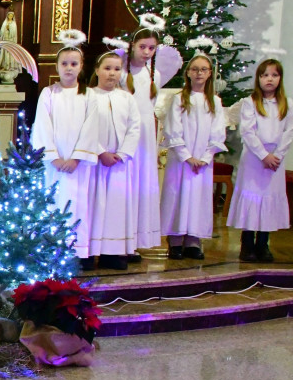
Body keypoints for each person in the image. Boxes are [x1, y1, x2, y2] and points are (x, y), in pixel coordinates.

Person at [118, 22, 182, 260]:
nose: (146, 52)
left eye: (151, 48)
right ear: (132, 46)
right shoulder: (122, 73)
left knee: (141, 187)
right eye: (142, 46)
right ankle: (119, 240)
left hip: (145, 134)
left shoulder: (152, 74)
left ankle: (135, 240)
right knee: (125, 186)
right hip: (125, 132)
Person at [31, 40, 97, 268]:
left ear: (81, 67)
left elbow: (92, 127)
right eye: (64, 63)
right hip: (55, 163)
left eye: (74, 64)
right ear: (57, 67)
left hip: (79, 165)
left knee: (79, 204)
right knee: (54, 203)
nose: (69, 68)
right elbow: (42, 125)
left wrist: (77, 157)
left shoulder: (89, 96)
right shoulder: (49, 94)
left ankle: (78, 251)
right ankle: (53, 248)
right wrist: (53, 156)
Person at [76, 51, 142, 270]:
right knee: (93, 207)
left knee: (115, 208)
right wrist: (100, 152)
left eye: (116, 69)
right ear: (97, 70)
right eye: (107, 68)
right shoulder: (87, 96)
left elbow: (134, 127)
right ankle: (87, 253)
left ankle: (111, 253)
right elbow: (84, 128)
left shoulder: (126, 98)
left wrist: (122, 154)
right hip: (95, 163)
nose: (112, 73)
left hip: (119, 164)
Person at [159, 54, 228, 260]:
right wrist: (187, 156)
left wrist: (206, 157)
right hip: (182, 160)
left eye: (204, 69)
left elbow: (218, 133)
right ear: (188, 73)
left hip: (202, 162)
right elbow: (172, 129)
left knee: (197, 198)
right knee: (177, 196)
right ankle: (175, 240)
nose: (199, 73)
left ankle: (193, 240)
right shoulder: (179, 99)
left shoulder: (214, 101)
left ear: (209, 74)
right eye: (195, 69)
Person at [226, 59, 293, 262]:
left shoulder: (287, 104)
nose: (269, 79)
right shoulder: (250, 103)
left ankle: (263, 244)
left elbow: (289, 132)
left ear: (280, 78)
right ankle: (247, 244)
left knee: (269, 200)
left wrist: (278, 155)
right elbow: (248, 131)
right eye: (265, 75)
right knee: (252, 199)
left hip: (275, 162)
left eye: (274, 75)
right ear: (259, 79)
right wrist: (264, 155)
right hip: (255, 159)